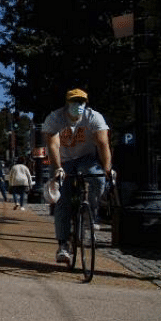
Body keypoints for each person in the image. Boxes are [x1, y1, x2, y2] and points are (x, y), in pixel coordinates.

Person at [44, 88, 113, 264]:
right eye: (74, 102)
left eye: (81, 102)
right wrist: (58, 168)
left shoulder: (93, 117)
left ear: (86, 104)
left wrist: (107, 170)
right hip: (64, 159)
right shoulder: (55, 118)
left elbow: (103, 143)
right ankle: (63, 245)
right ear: (67, 103)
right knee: (62, 200)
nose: (78, 106)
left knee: (97, 177)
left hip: (86, 159)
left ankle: (90, 210)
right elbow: (53, 144)